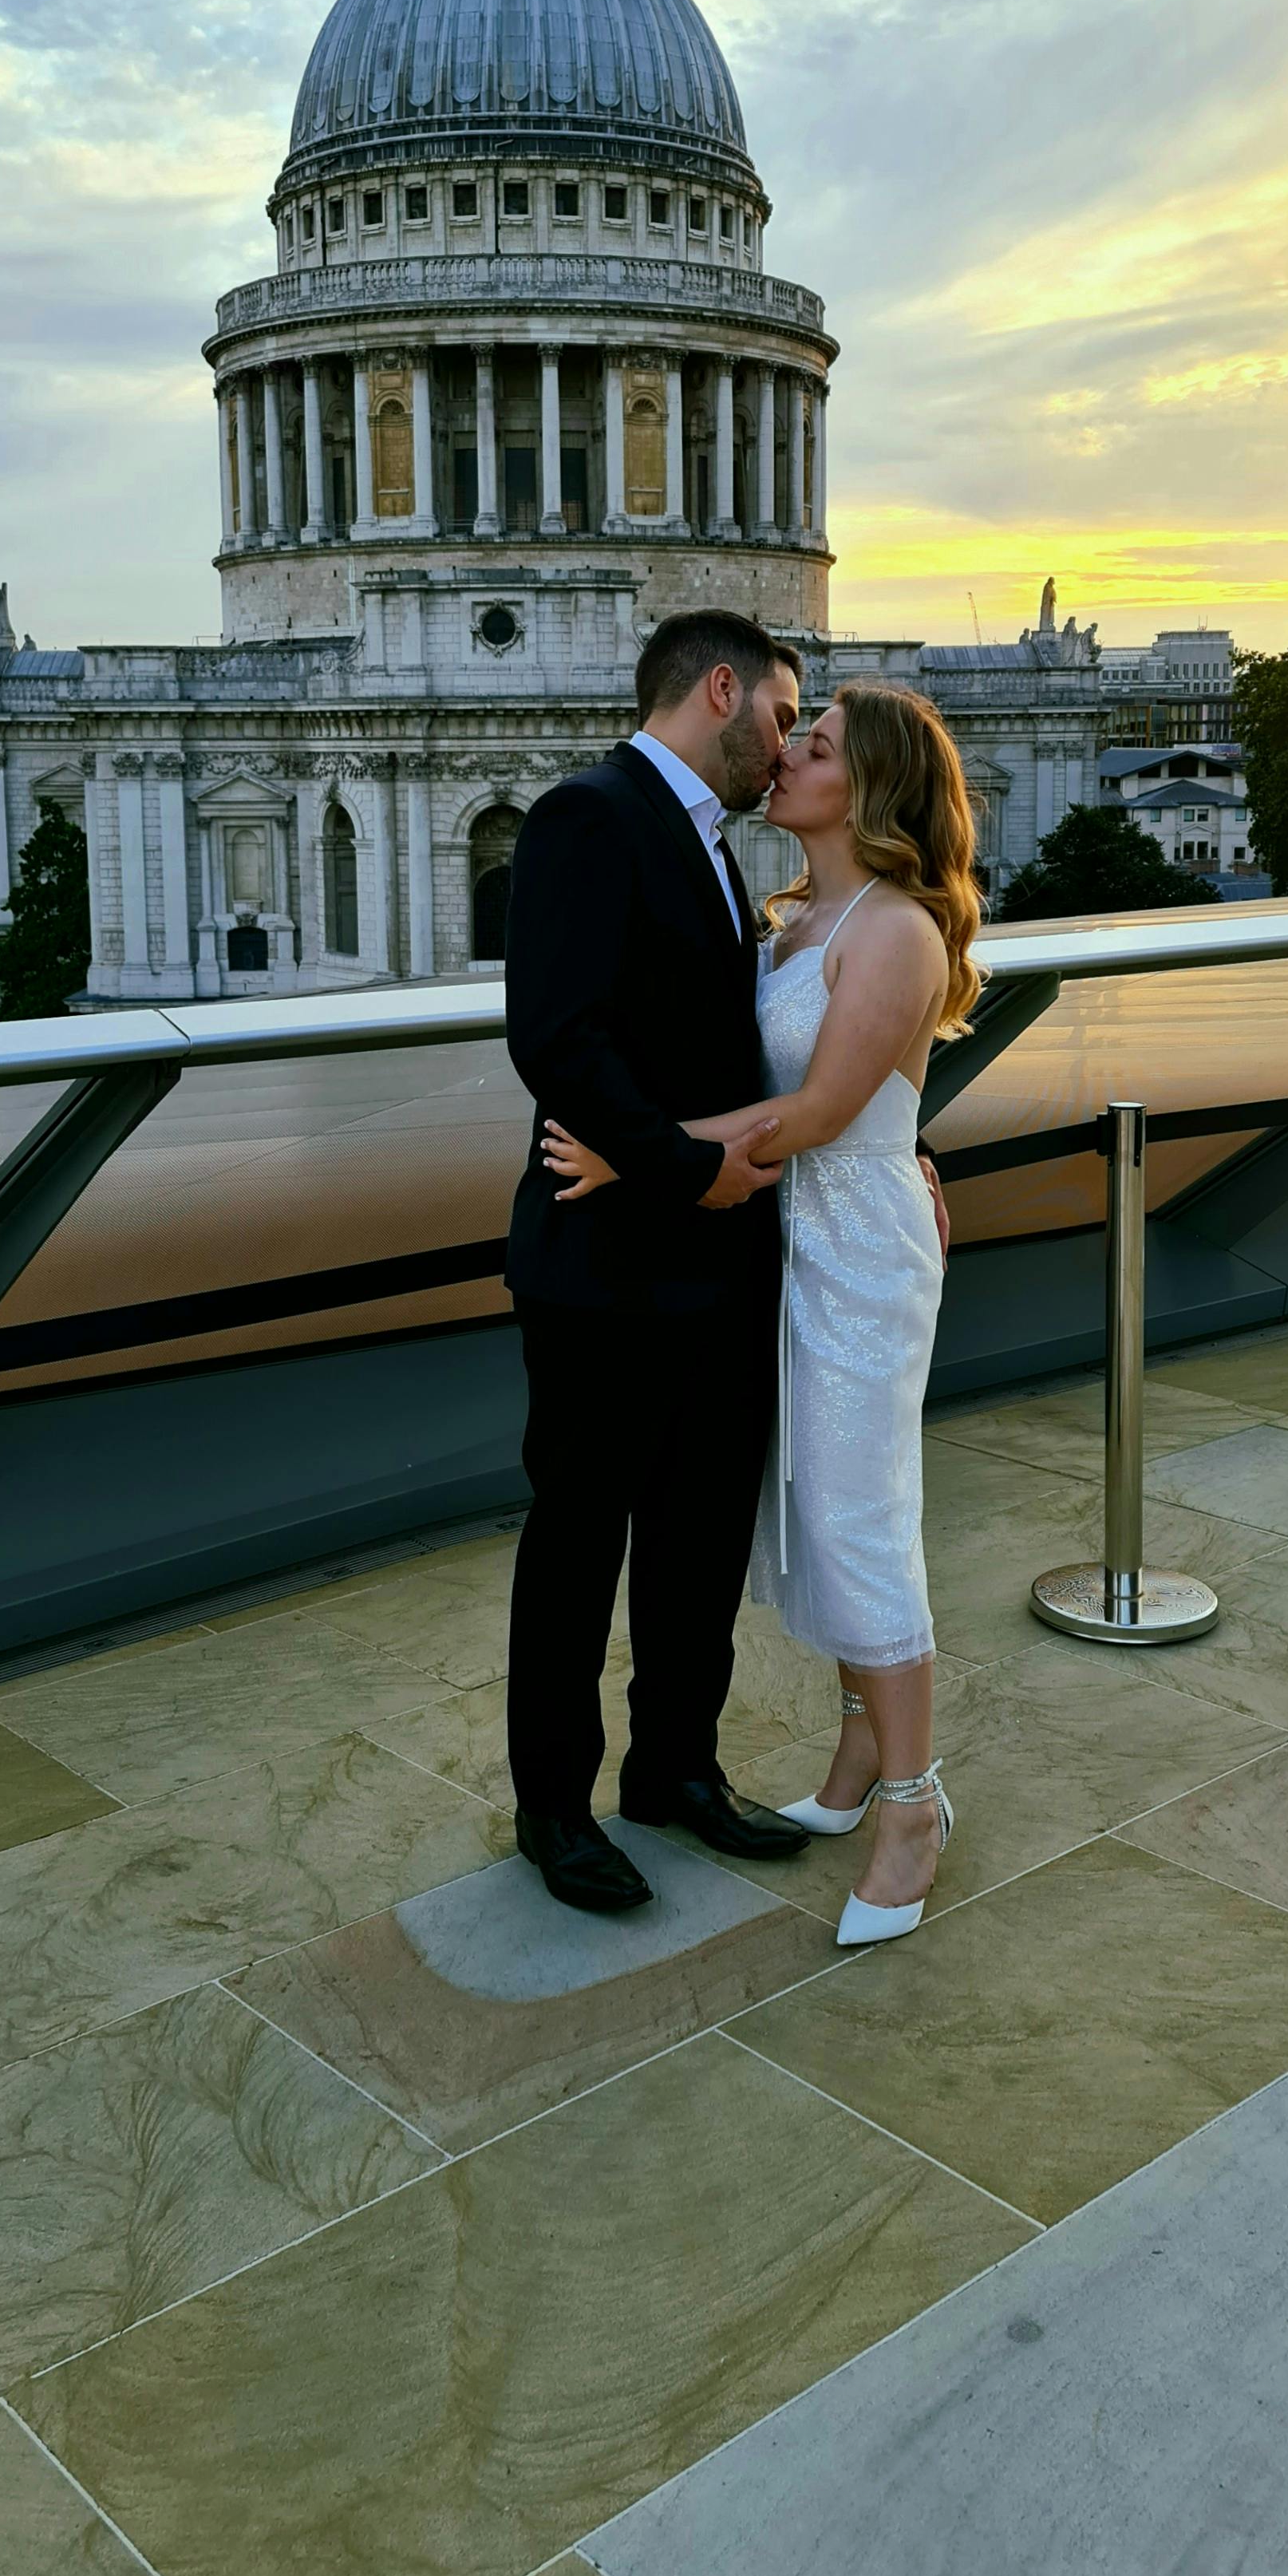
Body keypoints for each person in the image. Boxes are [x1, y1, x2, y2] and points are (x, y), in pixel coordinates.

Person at [544, 680, 980, 1946]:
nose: (787, 754)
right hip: (792, 1240)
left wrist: (640, 1152)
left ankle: (913, 1806)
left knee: (859, 1516)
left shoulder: (891, 926)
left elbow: (819, 1114)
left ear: (875, 788)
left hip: (851, 1247)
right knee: (810, 1513)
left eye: (821, 745)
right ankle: (857, 1757)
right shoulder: (792, 915)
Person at [501, 608, 815, 1915]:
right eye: (785, 719)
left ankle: (674, 1768)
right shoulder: (590, 814)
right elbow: (557, 1040)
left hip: (713, 1258)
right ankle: (554, 1811)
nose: (787, 748)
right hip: (608, 1262)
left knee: (696, 1542)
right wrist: (692, 1169)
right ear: (723, 692)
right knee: (578, 1545)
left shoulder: (701, 840)